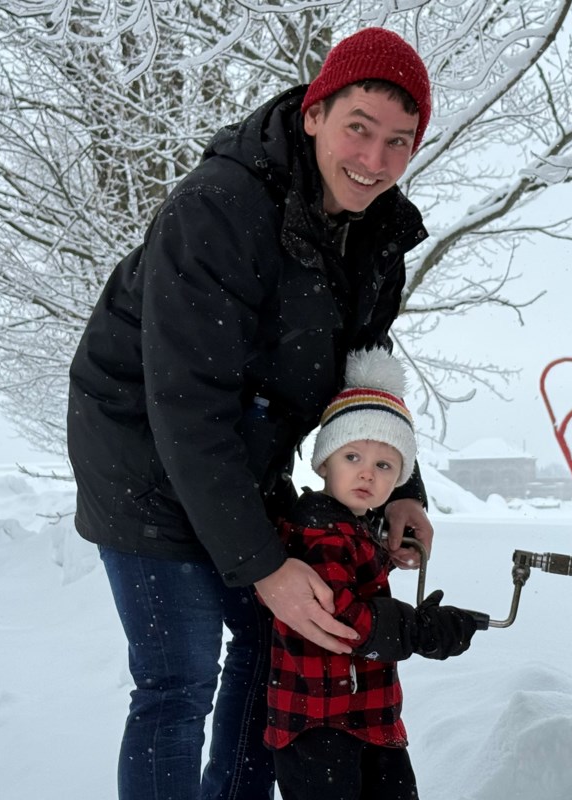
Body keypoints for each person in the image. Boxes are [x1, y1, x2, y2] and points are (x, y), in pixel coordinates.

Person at [66, 27, 436, 800]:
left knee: (277, 647)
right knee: (180, 677)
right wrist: (263, 564)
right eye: (358, 129)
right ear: (313, 114)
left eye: (398, 142)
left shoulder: (378, 234)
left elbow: (363, 375)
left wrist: (404, 486)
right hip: (141, 455)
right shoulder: (219, 210)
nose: (373, 160)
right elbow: (187, 406)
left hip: (244, 454)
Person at [264, 348, 481, 800]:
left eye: (384, 465)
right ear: (324, 461)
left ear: (398, 478)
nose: (367, 473)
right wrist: (417, 630)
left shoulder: (353, 528)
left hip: (366, 716)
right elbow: (339, 617)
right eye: (352, 457)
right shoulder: (318, 530)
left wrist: (385, 560)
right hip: (320, 726)